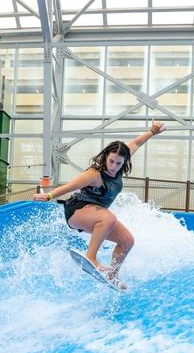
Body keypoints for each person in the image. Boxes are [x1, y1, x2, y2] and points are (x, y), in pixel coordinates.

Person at [33, 121, 167, 288]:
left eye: (118, 163)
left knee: (127, 241)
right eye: (111, 161)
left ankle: (112, 275)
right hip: (77, 210)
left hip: (96, 213)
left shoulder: (121, 159)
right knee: (108, 218)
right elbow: (70, 186)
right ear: (105, 157)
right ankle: (91, 256)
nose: (113, 166)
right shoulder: (94, 174)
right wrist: (49, 195)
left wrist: (152, 132)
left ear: (124, 162)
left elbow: (136, 143)